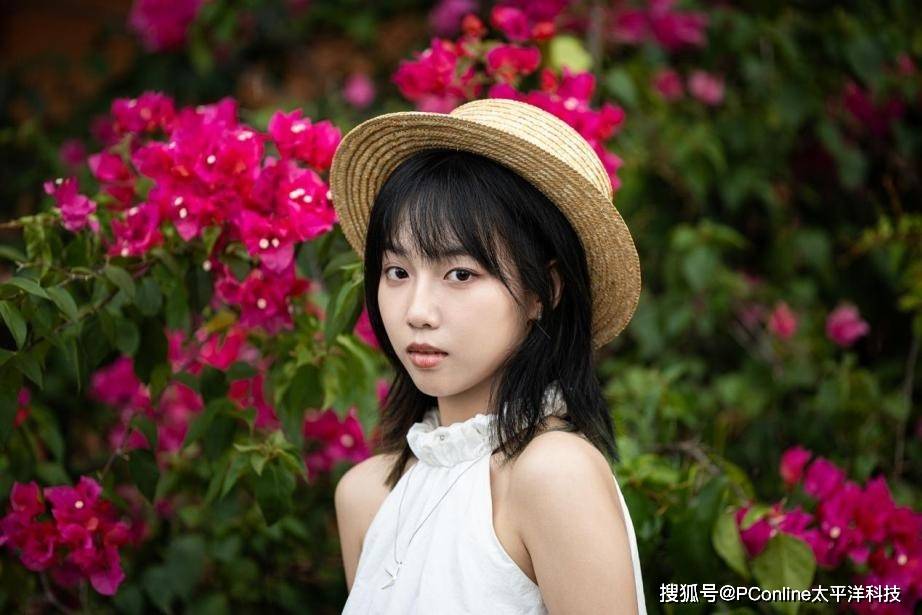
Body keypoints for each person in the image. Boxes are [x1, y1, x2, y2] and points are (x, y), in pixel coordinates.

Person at [329, 98, 646, 614]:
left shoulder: (553, 475)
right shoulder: (366, 497)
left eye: (460, 274)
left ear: (544, 291)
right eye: (397, 272)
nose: (417, 311)